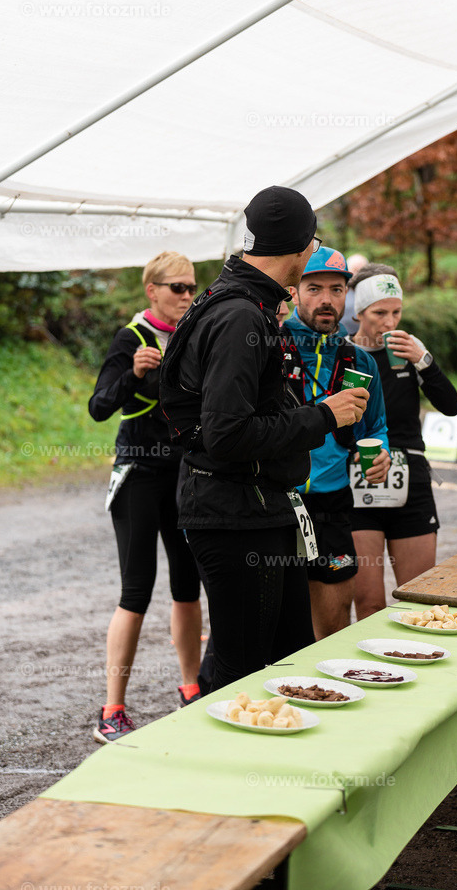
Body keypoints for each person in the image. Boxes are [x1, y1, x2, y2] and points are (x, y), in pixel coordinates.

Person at [159, 186, 369, 691]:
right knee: (241, 672)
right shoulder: (238, 316)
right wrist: (323, 415)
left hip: (261, 509)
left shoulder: (247, 303)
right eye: (313, 243)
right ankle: (220, 769)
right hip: (234, 517)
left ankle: (285, 767)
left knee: (287, 658)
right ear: (299, 246)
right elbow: (228, 434)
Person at [88, 252, 202, 743]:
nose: (185, 296)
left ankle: (193, 689)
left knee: (187, 586)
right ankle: (112, 709)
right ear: (151, 291)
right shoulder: (130, 338)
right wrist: (133, 375)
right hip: (138, 476)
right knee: (136, 590)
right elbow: (98, 407)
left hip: (184, 477)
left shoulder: (195, 335)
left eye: (191, 287)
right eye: (176, 287)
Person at [282, 245, 390, 638]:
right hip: (280, 504)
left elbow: (375, 427)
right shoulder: (271, 347)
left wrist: (382, 454)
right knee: (278, 630)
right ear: (294, 291)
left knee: (330, 628)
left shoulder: (360, 361)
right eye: (314, 288)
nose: (326, 300)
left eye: (336, 289)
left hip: (333, 506)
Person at [349, 264, 457, 618]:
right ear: (359, 313)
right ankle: (373, 672)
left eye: (396, 312)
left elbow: (450, 407)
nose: (389, 322)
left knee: (418, 600)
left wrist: (425, 363)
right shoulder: (344, 354)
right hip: (359, 477)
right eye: (379, 313)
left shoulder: (407, 351)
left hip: (410, 476)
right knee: (369, 603)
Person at [340, 253, 369, 336]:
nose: (359, 274)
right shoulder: (340, 291)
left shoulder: (371, 294)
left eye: (362, 271)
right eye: (355, 270)